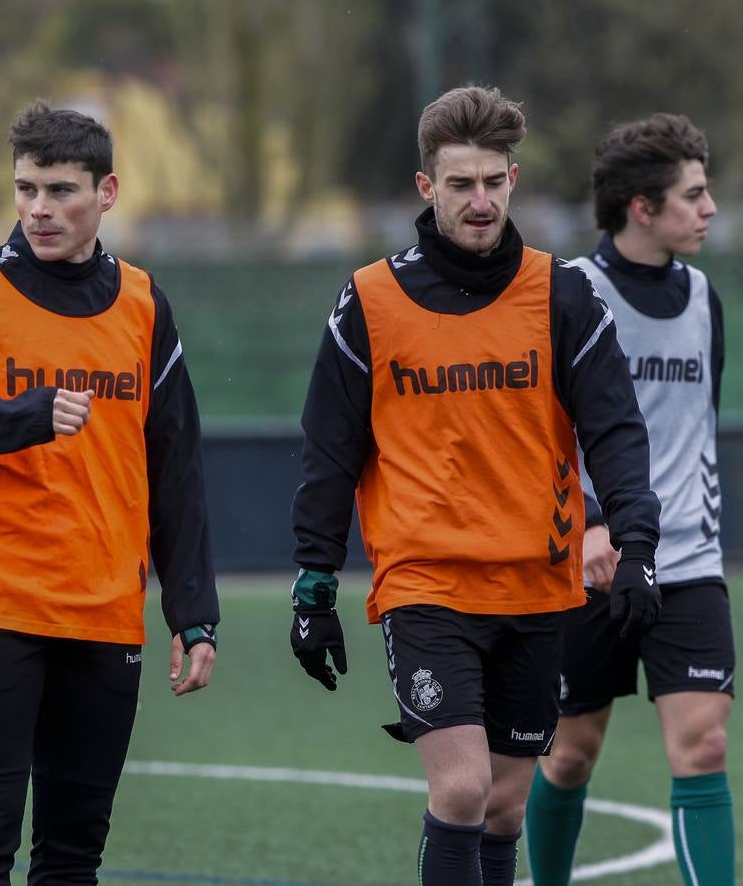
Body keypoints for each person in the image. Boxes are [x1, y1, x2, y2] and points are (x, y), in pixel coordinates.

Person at [287, 85, 662, 886]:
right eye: (461, 184)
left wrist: (637, 545)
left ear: (513, 179)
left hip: (535, 588)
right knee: (460, 788)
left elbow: (615, 431)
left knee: (504, 808)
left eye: (493, 181)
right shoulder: (371, 301)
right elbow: (329, 452)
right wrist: (314, 584)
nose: (480, 200)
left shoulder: (561, 294)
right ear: (428, 188)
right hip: (425, 585)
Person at [0, 102, 219, 884]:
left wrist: (194, 612)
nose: (38, 209)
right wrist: (25, 415)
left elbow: (176, 466)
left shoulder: (143, 304)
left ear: (108, 193)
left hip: (103, 610)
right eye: (26, 189)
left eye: (60, 190)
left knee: (74, 851)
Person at [524, 113, 735, 886]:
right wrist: (585, 526)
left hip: (685, 558)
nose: (709, 209)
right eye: (693, 195)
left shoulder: (706, 297)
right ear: (642, 208)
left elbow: (701, 425)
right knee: (571, 754)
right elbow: (540, 432)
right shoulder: (570, 293)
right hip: (590, 560)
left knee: (704, 744)